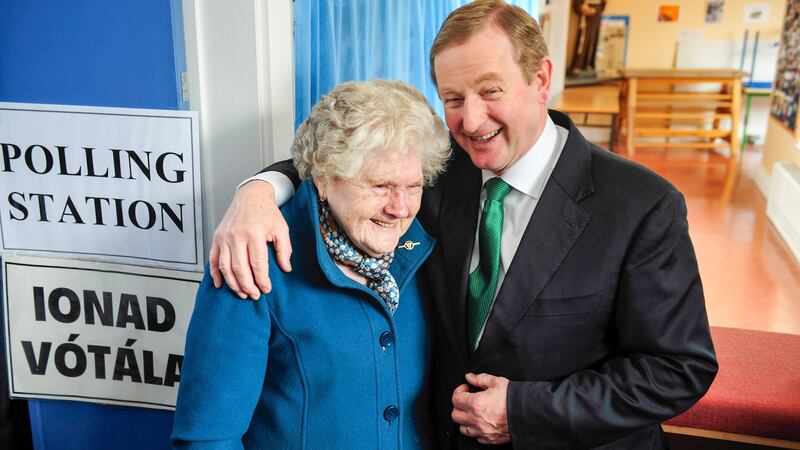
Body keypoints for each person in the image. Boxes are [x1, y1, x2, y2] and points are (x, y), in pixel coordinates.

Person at [208, 1, 718, 448]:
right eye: (452, 99)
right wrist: (258, 192)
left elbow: (678, 370)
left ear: (541, 79)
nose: (471, 121)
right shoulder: (438, 169)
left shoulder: (643, 206)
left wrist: (523, 412)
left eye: (490, 91)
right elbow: (341, 159)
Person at [172, 79, 451, 448]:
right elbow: (207, 439)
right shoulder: (254, 259)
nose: (399, 208)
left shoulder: (425, 246)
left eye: (412, 186)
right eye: (380, 186)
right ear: (323, 178)